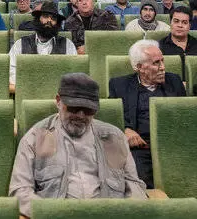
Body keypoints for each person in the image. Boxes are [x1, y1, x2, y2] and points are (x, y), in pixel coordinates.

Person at [10, 73, 147, 217]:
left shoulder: (113, 138)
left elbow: (134, 185)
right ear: (58, 101)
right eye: (74, 108)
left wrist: (126, 213)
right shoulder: (35, 138)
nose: (81, 115)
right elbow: (20, 191)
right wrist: (52, 214)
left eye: (88, 110)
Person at [109, 40, 186, 187]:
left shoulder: (174, 81)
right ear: (139, 67)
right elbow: (111, 115)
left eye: (162, 61)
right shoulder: (119, 85)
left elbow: (185, 114)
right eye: (156, 63)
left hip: (171, 146)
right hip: (140, 148)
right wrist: (125, 129)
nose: (163, 67)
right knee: (140, 182)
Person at [8, 1, 77, 90]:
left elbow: (73, 72)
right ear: (38, 19)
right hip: (27, 91)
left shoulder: (68, 44)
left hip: (58, 93)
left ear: (57, 23)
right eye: (45, 16)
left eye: (53, 18)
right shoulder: (20, 44)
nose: (49, 20)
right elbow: (11, 71)